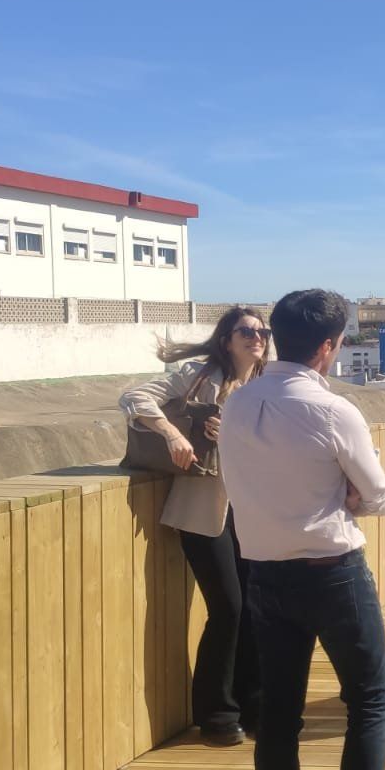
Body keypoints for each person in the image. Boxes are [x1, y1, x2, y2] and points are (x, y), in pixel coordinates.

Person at [219, 288, 385, 770]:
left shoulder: (238, 404)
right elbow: (379, 495)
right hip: (334, 571)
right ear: (328, 346)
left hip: (265, 575)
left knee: (277, 716)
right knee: (368, 699)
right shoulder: (335, 409)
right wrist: (351, 495)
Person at [119, 306, 269, 746]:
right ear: (226, 339)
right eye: (246, 330)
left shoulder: (265, 386)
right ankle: (216, 713)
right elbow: (134, 397)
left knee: (255, 608)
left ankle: (252, 703)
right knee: (229, 607)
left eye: (262, 331)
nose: (256, 337)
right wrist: (173, 433)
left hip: (253, 510)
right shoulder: (198, 375)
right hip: (204, 512)